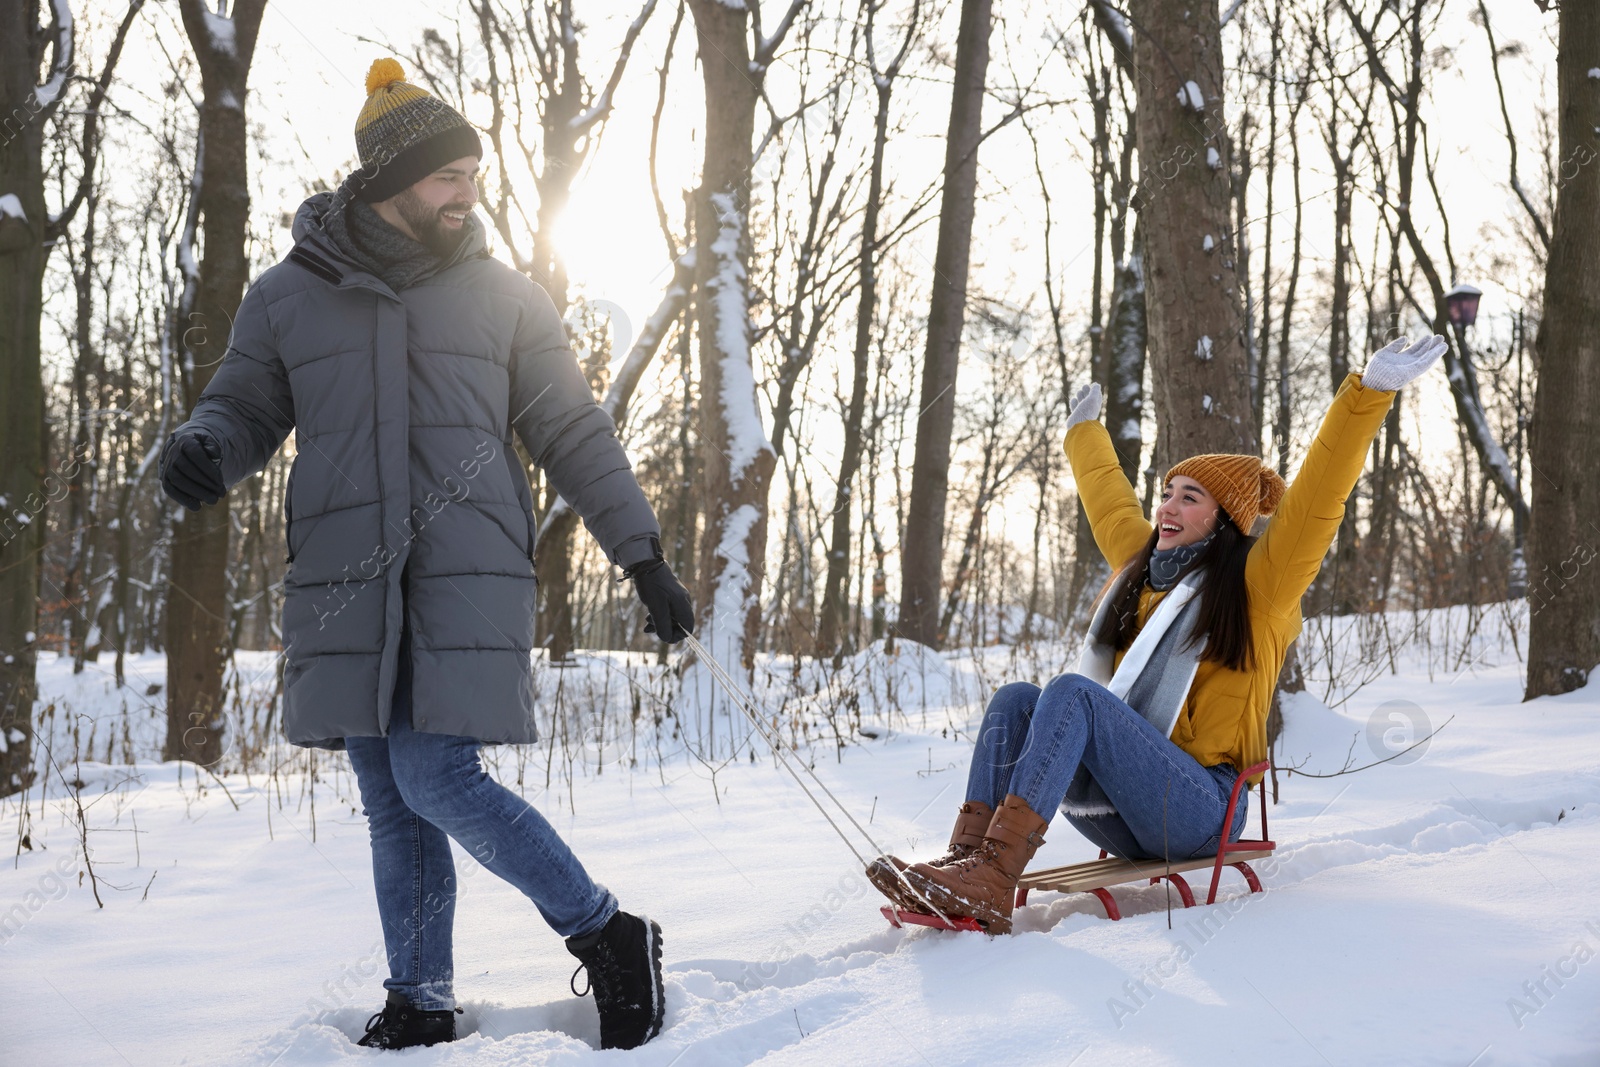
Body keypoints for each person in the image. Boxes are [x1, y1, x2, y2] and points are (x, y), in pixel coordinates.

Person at [158, 59, 694, 1050]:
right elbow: (239, 407)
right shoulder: (286, 298)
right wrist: (199, 450)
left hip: (465, 575)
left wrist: (641, 554)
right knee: (388, 795)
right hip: (343, 579)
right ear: (391, 180)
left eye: (474, 176)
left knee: (436, 775)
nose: (468, 193)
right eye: (450, 177)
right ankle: (421, 993)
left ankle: (608, 930)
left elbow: (573, 431)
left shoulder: (506, 297)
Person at [866, 335, 1449, 935]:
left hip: (1206, 808)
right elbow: (1112, 508)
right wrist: (1083, 435)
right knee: (1017, 698)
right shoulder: (1143, 573)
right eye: (1165, 492)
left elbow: (1317, 501)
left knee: (1071, 693)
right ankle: (968, 862)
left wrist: (1367, 394)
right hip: (1123, 808)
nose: (1166, 505)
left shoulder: (1261, 585)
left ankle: (991, 879)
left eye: (1188, 496)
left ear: (1222, 519)